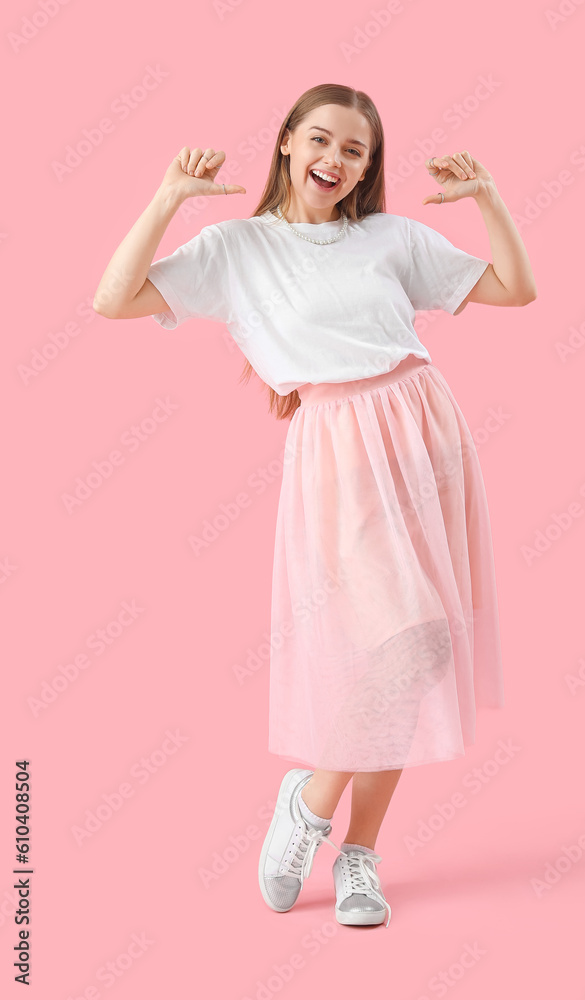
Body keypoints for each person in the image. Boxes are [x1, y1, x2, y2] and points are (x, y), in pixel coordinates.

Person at [93, 83, 537, 930]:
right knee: (402, 640)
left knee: (417, 654)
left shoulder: (389, 237)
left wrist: (488, 197)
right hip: (340, 448)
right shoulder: (235, 248)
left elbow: (515, 289)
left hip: (427, 433)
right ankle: (309, 803)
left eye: (356, 152)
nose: (335, 161)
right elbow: (114, 298)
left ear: (368, 168)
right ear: (289, 142)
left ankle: (357, 855)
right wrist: (166, 199)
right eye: (322, 141)